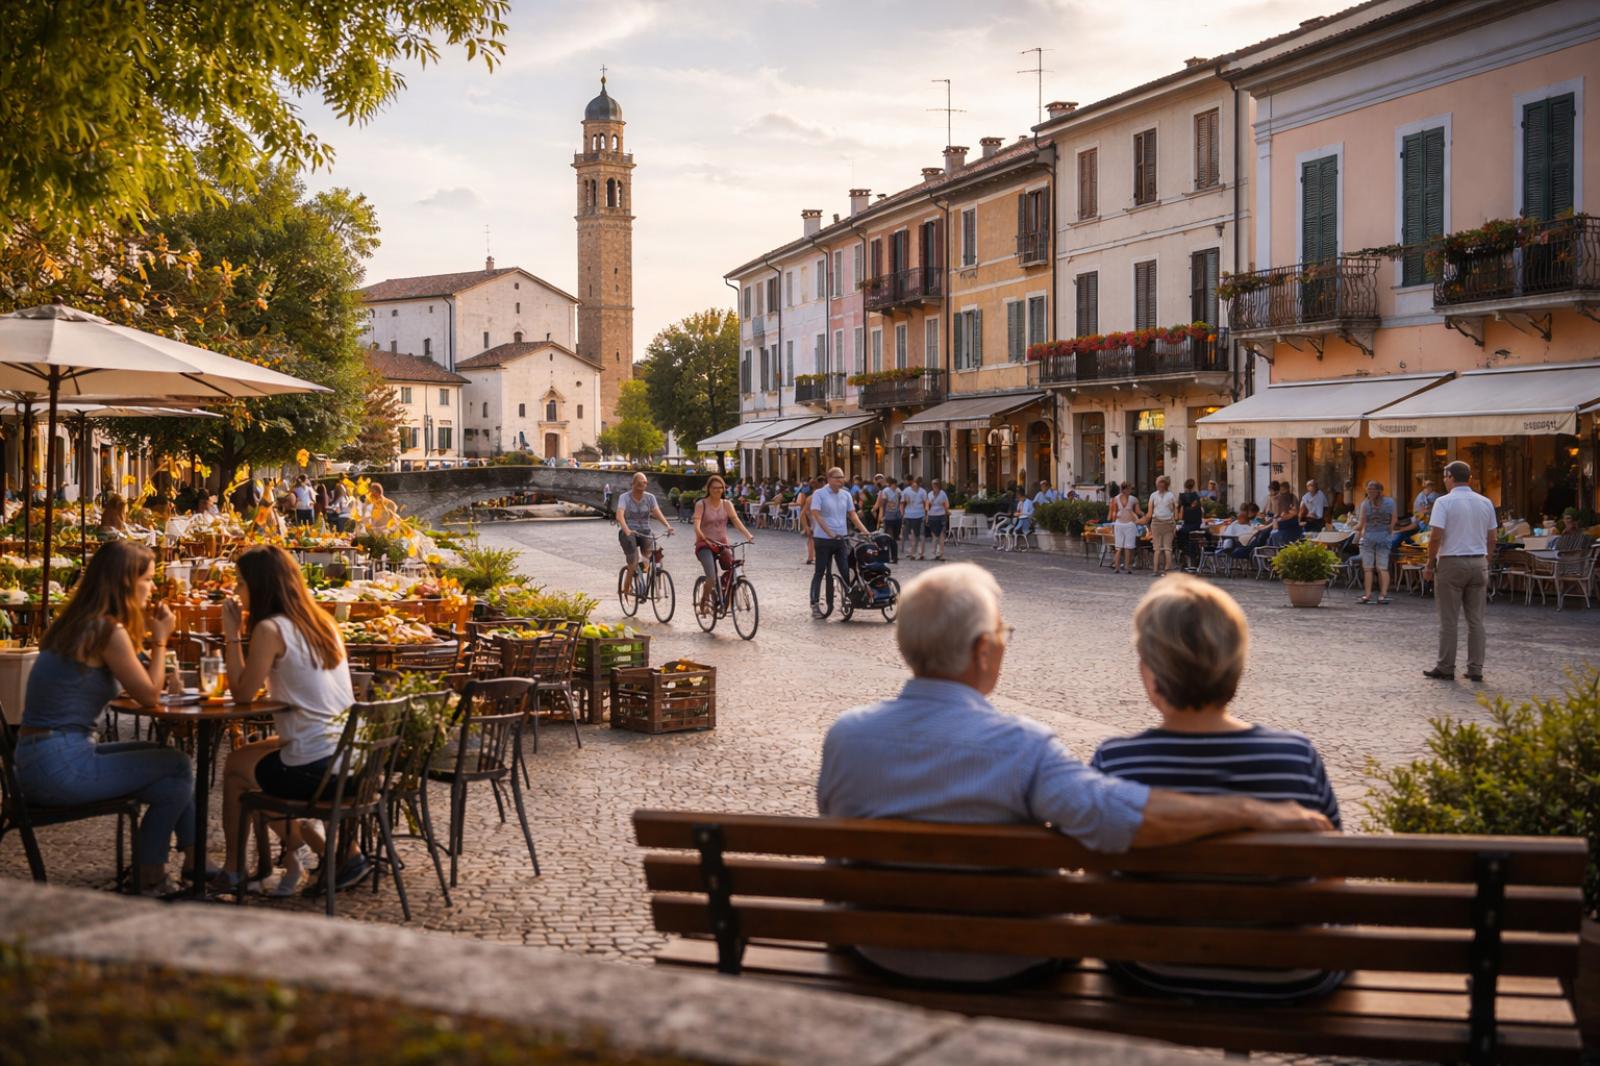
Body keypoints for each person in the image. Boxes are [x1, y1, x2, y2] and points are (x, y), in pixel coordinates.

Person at [816, 564, 1332, 983]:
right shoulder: (1024, 748)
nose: (1004, 643)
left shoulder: (847, 735)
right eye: (1003, 633)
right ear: (982, 650)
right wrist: (1251, 811)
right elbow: (1116, 819)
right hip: (1011, 963)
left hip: (877, 950)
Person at [1091, 575, 1343, 1001]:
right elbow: (1332, 874)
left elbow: (1099, 878)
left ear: (1150, 673)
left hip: (1153, 969)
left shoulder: (1117, 761)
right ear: (1237, 665)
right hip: (1292, 972)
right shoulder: (1295, 756)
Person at [13, 540, 196, 894]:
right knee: (176, 766)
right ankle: (160, 872)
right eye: (147, 579)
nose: (154, 587)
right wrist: (160, 641)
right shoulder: (107, 631)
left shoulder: (79, 623)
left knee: (175, 771)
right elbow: (149, 695)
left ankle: (179, 866)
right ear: (126, 582)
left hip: (37, 758)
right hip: (60, 766)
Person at [216, 545, 358, 896]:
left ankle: (235, 869)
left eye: (241, 583)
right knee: (245, 759)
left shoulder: (270, 629)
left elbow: (244, 695)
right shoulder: (321, 620)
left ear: (260, 586)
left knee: (237, 775)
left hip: (319, 768)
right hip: (355, 759)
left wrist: (232, 634)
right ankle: (334, 852)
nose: (237, 590)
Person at [1423, 460, 1498, 683]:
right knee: (1476, 620)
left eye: (1445, 477)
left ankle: (1446, 666)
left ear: (1450, 477)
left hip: (1451, 562)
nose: (1444, 481)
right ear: (1469, 478)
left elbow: (1436, 536)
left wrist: (1429, 564)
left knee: (1449, 619)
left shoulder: (1443, 502)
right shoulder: (1486, 502)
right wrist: (1486, 560)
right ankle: (1476, 668)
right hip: (1478, 562)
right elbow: (1493, 538)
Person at [810, 466, 869, 618]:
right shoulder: (819, 494)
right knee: (820, 571)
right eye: (837, 478)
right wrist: (829, 532)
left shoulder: (846, 495)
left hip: (841, 538)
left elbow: (853, 515)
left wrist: (866, 532)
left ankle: (847, 599)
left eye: (842, 477)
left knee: (844, 569)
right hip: (823, 539)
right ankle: (815, 603)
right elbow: (816, 514)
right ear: (829, 479)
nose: (841, 480)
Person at [692, 475, 755, 616]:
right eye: (714, 488)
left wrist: (748, 535)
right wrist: (703, 538)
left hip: (722, 544)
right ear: (709, 489)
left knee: (732, 568)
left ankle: (722, 594)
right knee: (711, 577)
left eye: (720, 488)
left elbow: (736, 521)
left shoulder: (727, 504)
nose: (718, 490)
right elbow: (696, 526)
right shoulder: (701, 504)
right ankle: (704, 599)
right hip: (705, 545)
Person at [616, 472, 673, 582]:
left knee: (653, 553)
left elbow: (657, 513)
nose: (642, 485)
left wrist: (668, 526)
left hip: (645, 531)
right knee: (633, 562)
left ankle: (648, 574)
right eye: (639, 483)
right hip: (629, 532)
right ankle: (627, 585)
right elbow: (619, 515)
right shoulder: (624, 497)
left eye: (645, 483)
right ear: (633, 484)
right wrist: (626, 529)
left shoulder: (650, 498)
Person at [1353, 480, 1396, 605]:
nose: (1369, 492)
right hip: (1384, 536)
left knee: (1368, 568)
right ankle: (1383, 595)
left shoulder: (1365, 504)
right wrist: (1389, 529)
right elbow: (1394, 520)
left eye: (1370, 490)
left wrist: (1352, 528)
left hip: (1369, 537)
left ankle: (1367, 595)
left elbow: (1361, 524)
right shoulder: (1390, 502)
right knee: (1382, 567)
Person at [1146, 475, 1179, 577]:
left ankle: (1155, 570)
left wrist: (1144, 522)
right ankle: (1167, 570)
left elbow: (1149, 513)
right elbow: (1176, 510)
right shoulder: (1171, 495)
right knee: (1168, 548)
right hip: (1168, 523)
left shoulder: (1153, 496)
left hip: (1156, 523)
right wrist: (1175, 521)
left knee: (1157, 548)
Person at [1109, 481, 1144, 574]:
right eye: (1129, 489)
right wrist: (1143, 515)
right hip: (1125, 524)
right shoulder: (1131, 499)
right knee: (1122, 547)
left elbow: (1114, 513)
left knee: (1124, 547)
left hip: (1124, 524)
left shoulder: (1117, 499)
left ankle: (1123, 567)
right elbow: (1137, 511)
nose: (1130, 490)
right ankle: (1123, 567)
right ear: (1125, 489)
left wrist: (1143, 515)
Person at [1176, 479, 1205, 571]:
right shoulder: (1196, 496)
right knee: (1191, 538)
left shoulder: (1182, 496)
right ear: (1194, 486)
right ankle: (1192, 555)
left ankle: (1184, 553)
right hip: (1195, 522)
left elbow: (1178, 508)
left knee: (1181, 534)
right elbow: (1198, 508)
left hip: (1187, 522)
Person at [873, 475, 902, 563]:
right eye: (893, 485)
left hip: (896, 517)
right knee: (889, 537)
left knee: (894, 538)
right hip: (888, 517)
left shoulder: (898, 491)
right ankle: (889, 556)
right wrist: (882, 516)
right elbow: (883, 504)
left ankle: (894, 557)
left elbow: (901, 503)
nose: (895, 487)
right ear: (891, 484)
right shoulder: (886, 491)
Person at [901, 477, 929, 561]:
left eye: (917, 484)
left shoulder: (922, 491)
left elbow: (926, 502)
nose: (915, 485)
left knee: (920, 535)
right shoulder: (906, 491)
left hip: (919, 515)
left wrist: (926, 513)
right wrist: (902, 514)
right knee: (913, 535)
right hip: (909, 515)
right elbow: (902, 503)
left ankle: (920, 553)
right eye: (914, 484)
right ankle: (914, 553)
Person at [925, 479, 951, 561]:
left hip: (941, 516)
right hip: (932, 516)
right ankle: (934, 553)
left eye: (936, 485)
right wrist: (929, 505)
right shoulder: (929, 494)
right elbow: (926, 507)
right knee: (934, 536)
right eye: (933, 485)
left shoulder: (943, 494)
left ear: (939, 486)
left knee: (941, 535)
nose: (935, 486)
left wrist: (946, 511)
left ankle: (941, 554)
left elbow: (946, 505)